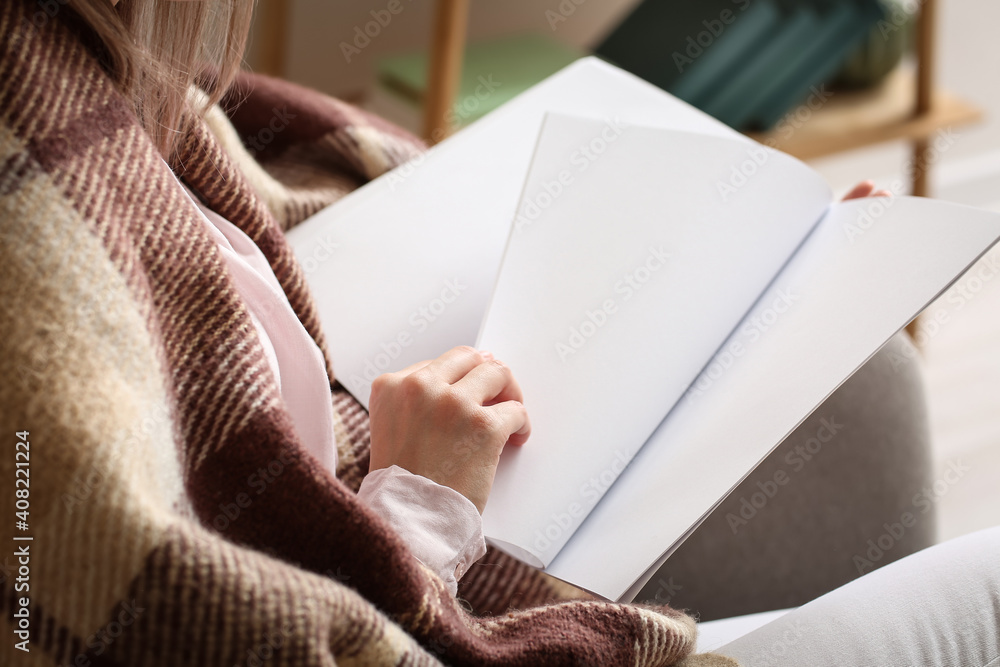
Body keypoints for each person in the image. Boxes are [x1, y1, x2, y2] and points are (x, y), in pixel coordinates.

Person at [1, 0, 994, 665]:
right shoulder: (29, 237)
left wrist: (769, 280)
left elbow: (285, 224)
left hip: (429, 508)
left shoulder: (95, 74)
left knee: (871, 388)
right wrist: (420, 508)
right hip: (423, 569)